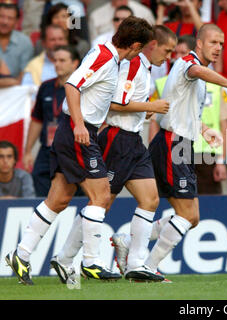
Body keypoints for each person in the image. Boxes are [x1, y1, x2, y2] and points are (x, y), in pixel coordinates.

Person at [4, 16, 153, 286]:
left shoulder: (108, 57)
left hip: (74, 130)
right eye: (141, 49)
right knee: (102, 194)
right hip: (77, 132)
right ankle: (91, 262)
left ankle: (21, 254)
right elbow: (72, 86)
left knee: (58, 199)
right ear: (135, 46)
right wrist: (80, 125)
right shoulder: (106, 58)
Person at [110, 24, 227, 278]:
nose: (218, 48)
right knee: (186, 214)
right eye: (214, 42)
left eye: (222, 44)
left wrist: (203, 129)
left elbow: (180, 107)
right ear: (200, 43)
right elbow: (197, 71)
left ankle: (128, 241)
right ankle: (146, 267)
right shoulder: (187, 64)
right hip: (173, 143)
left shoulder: (192, 72)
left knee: (191, 217)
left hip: (181, 143)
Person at [52, 25, 177, 284]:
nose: (169, 57)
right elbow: (114, 103)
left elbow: (125, 103)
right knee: (102, 201)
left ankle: (135, 264)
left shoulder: (144, 67)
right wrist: (149, 106)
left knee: (150, 199)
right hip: (117, 139)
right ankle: (65, 258)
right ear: (151, 45)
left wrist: (145, 112)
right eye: (167, 50)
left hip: (134, 140)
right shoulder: (130, 64)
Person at [153, 34, 227, 195]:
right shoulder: (164, 82)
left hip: (206, 154)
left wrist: (222, 161)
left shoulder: (214, 85)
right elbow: (156, 121)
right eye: (175, 53)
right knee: (174, 206)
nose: (177, 58)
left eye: (182, 53)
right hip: (175, 146)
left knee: (202, 210)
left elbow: (225, 125)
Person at [23, 45, 81, 197]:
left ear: (75, 63)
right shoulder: (46, 86)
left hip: (73, 148)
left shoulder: (83, 88)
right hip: (47, 148)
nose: (57, 64)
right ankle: (46, 219)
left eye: (62, 60)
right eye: (55, 60)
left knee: (77, 188)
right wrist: (28, 150)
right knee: (38, 177)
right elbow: (37, 120)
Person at [0, 3, 34, 87]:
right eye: (1, 16)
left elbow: (23, 78)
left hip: (16, 93)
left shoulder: (25, 42)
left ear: (17, 22)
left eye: (10, 18)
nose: (5, 22)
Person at [89, 0, 155, 42]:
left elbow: (152, 39)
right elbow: (94, 42)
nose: (120, 22)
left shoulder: (144, 12)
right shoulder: (95, 15)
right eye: (117, 19)